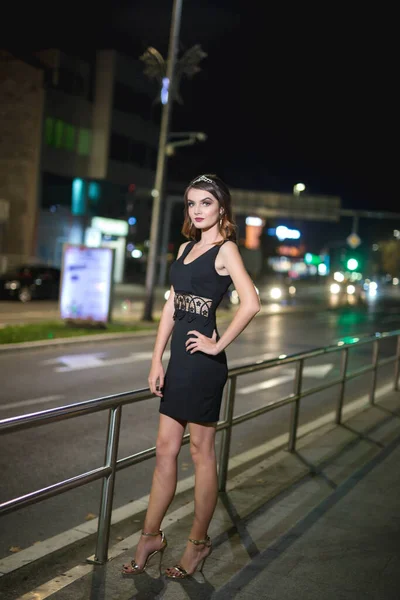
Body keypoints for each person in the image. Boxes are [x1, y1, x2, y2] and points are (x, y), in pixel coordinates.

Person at [122, 174, 260, 579]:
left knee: (201, 453)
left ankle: (198, 544)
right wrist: (156, 359)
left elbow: (251, 303)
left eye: (205, 203)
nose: (197, 211)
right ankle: (150, 536)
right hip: (179, 362)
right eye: (191, 204)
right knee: (165, 450)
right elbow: (171, 307)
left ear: (222, 208)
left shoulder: (226, 249)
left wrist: (218, 346)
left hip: (203, 365)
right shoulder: (185, 248)